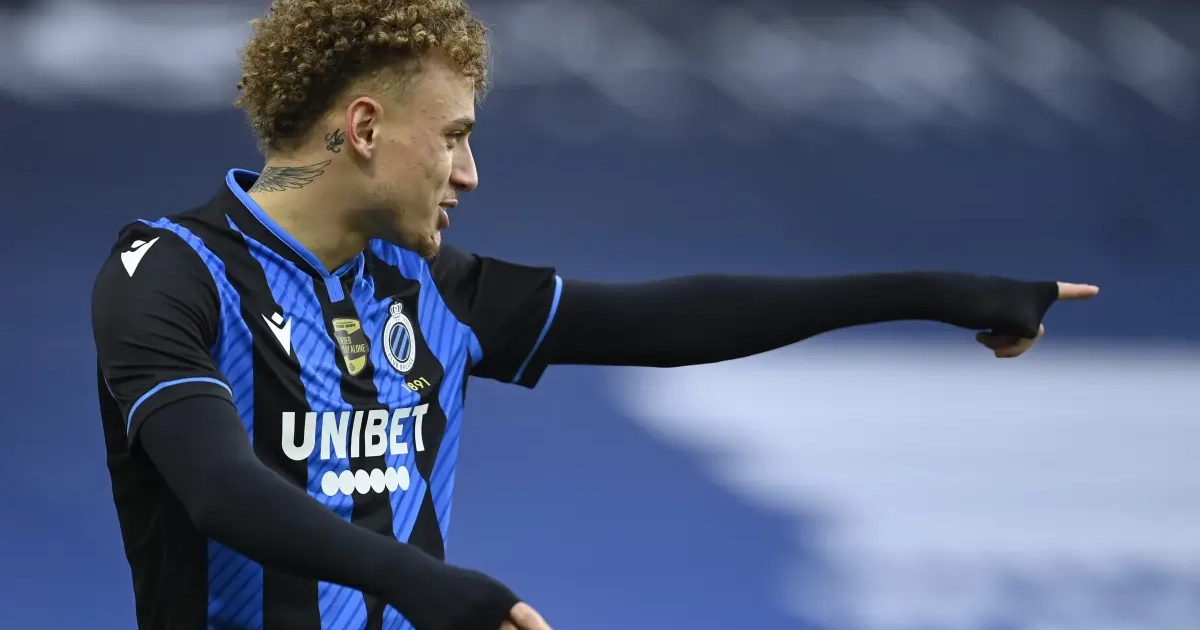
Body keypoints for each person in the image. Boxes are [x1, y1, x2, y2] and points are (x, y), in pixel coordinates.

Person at [89, 1, 1099, 629]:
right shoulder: (168, 274)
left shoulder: (429, 287)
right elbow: (220, 491)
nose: (469, 174)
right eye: (455, 136)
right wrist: (427, 585)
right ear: (363, 128)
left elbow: (675, 322)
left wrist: (939, 295)